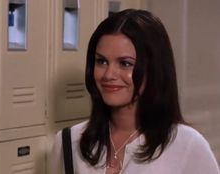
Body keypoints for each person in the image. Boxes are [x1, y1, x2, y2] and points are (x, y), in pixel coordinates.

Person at [51, 9, 220, 174]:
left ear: (154, 69)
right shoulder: (69, 141)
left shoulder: (187, 145)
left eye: (125, 63)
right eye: (101, 61)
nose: (109, 74)